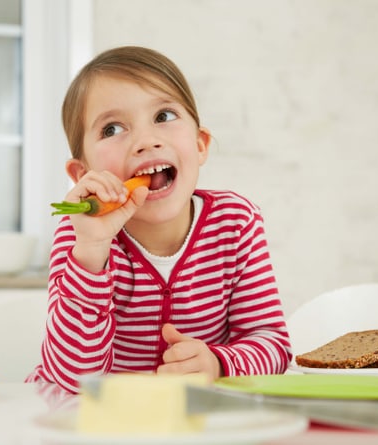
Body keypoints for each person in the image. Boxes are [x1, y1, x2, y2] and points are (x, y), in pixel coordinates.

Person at [26, 46, 292, 393]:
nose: (145, 141)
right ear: (83, 174)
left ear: (200, 145)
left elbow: (273, 345)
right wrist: (92, 250)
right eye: (112, 128)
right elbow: (71, 379)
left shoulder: (235, 223)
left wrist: (218, 363)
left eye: (164, 116)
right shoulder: (80, 236)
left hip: (196, 422)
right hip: (99, 424)